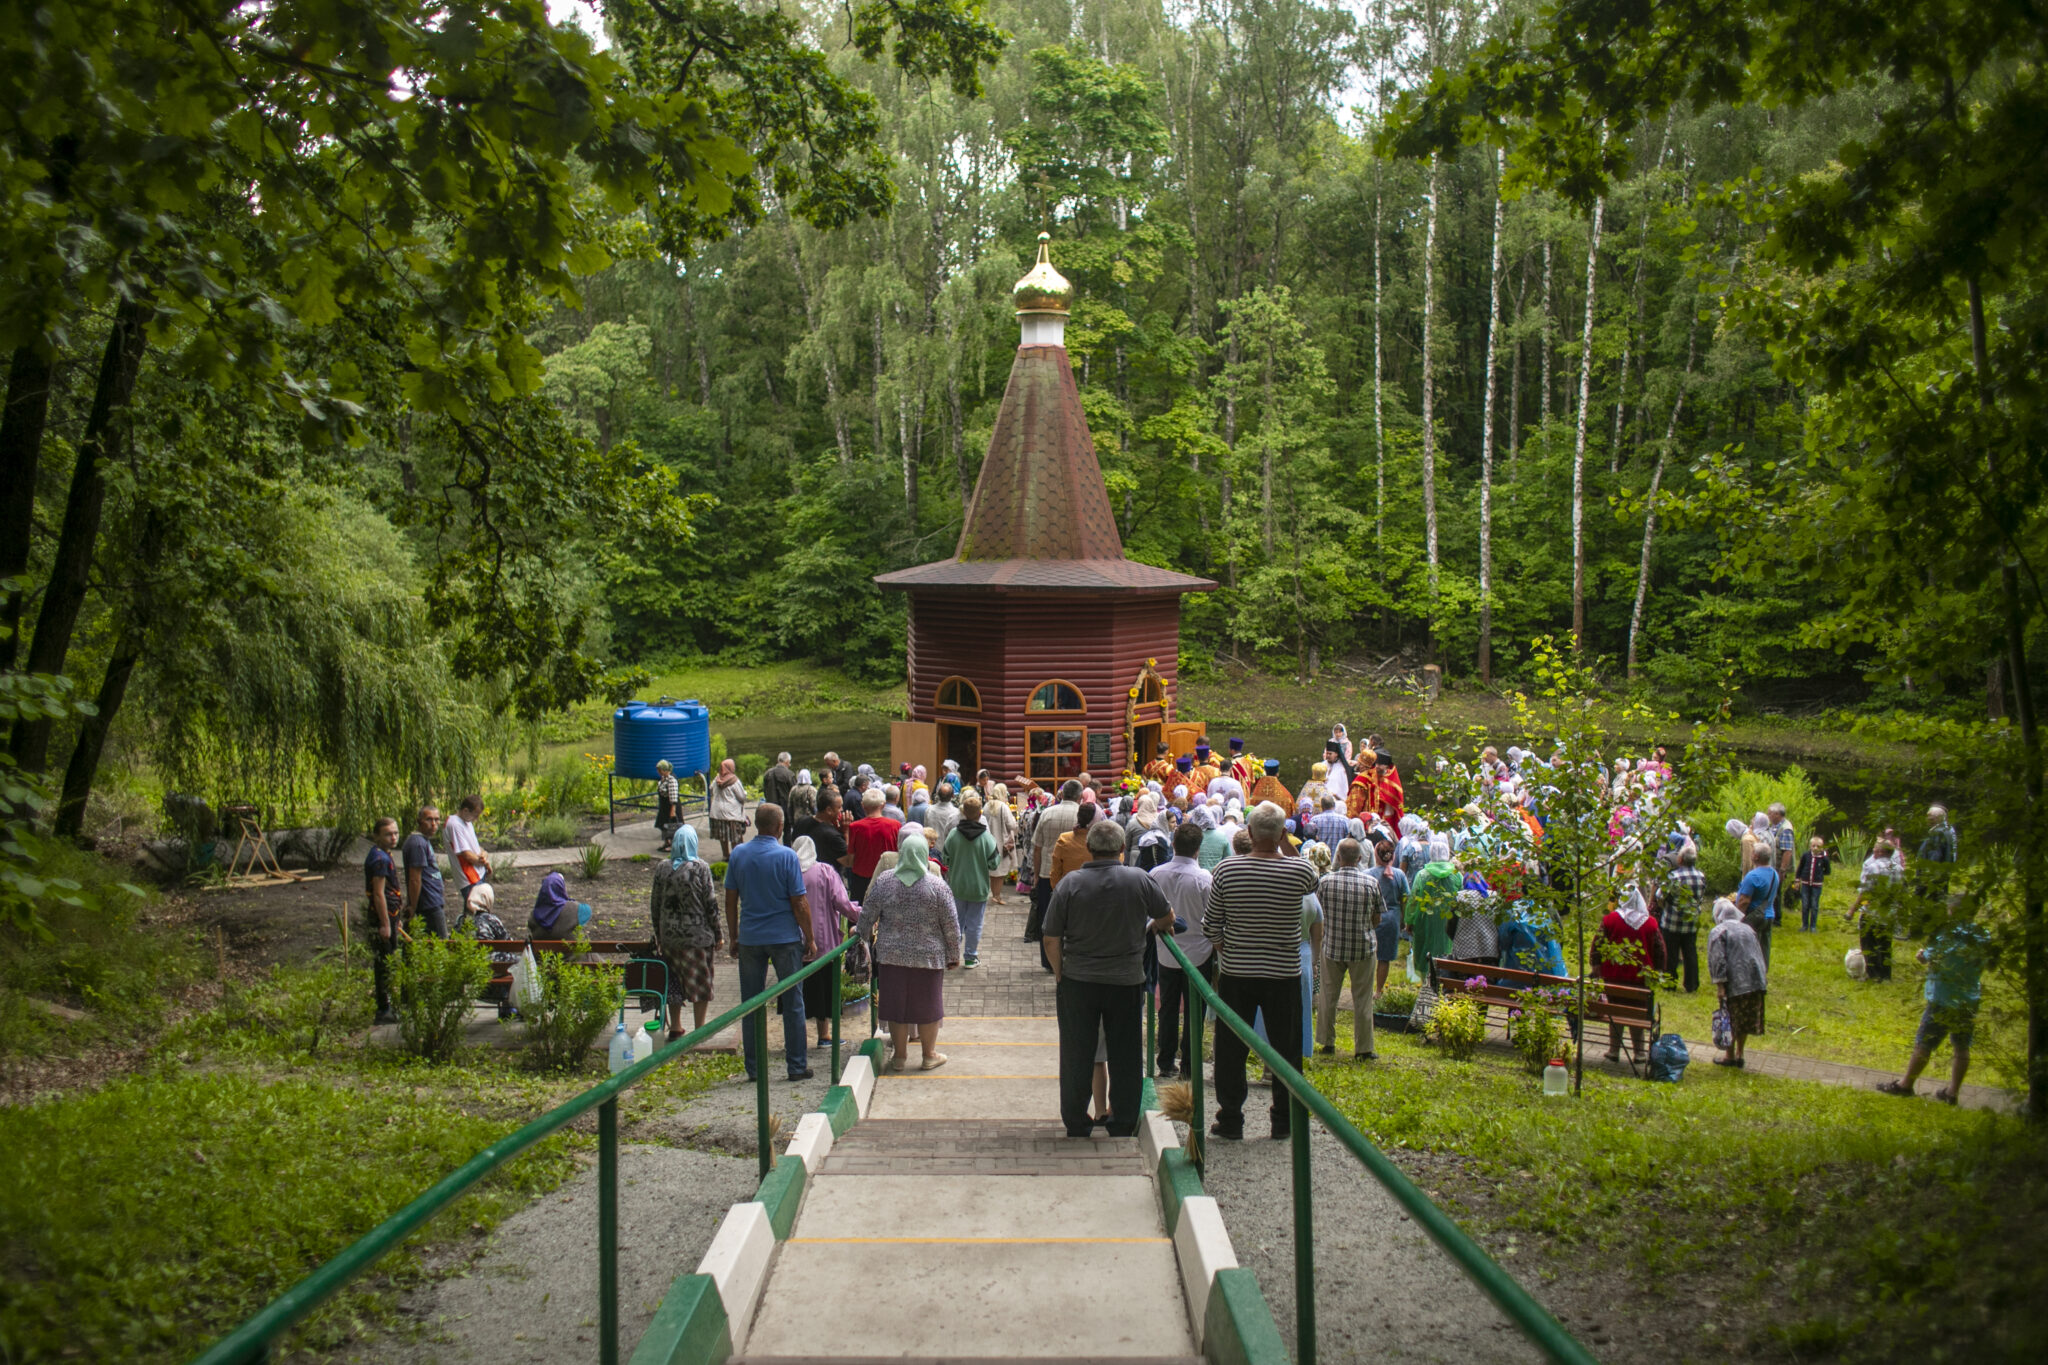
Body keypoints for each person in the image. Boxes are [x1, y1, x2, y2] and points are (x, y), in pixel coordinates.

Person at [1045, 819, 1176, 1137]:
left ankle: (1076, 1120)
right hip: (1125, 979)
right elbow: (1166, 917)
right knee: (1126, 1050)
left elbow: (1051, 937)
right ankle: (1123, 1120)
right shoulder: (1139, 879)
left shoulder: (1070, 884)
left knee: (1077, 1050)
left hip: (1078, 980)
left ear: (1089, 848)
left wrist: (1061, 972)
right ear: (1121, 848)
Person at [1203, 805, 1320, 1141]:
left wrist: (1229, 949)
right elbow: (1312, 879)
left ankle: (1230, 1119)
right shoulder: (1298, 871)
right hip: (1284, 974)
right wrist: (1284, 843)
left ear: (1249, 833)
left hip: (1237, 972)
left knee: (1230, 1048)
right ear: (1283, 834)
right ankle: (1283, 1121)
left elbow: (1211, 925)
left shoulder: (1226, 871)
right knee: (1286, 1048)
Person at [724, 804, 817, 1082]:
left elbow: (730, 899)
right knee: (793, 1002)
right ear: (779, 827)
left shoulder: (738, 854)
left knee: (750, 1003)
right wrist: (809, 937)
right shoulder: (787, 856)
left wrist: (733, 935)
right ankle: (796, 1066)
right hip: (784, 938)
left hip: (751, 938)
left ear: (755, 824)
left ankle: (754, 1068)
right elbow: (799, 902)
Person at [859, 832, 962, 1073]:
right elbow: (950, 925)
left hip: (891, 956)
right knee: (927, 1006)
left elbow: (867, 913)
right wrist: (954, 955)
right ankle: (928, 1055)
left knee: (896, 1007)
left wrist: (861, 934)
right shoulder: (937, 885)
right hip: (928, 956)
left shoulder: (885, 881)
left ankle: (900, 1058)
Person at [1877, 895, 1991, 1102]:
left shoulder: (1947, 935)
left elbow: (1927, 957)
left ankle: (1905, 1085)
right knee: (1962, 1046)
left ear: (1954, 912)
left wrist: (1922, 955)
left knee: (1924, 1043)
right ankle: (1952, 1092)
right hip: (1969, 998)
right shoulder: (1983, 935)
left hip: (1943, 999)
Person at [1151, 820, 1215, 1077]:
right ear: (1198, 848)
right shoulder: (1204, 879)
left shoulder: (1156, 874)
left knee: (1167, 1006)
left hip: (1166, 950)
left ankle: (1165, 1060)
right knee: (1194, 1010)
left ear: (1173, 843)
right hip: (1199, 953)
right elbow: (1212, 916)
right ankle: (1189, 1064)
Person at [1314, 839, 1383, 1061]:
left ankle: (1326, 1041)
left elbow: (1319, 915)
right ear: (1360, 858)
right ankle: (1363, 1048)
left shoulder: (1325, 883)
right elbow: (1377, 917)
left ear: (1338, 857)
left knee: (1328, 995)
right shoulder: (1371, 883)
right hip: (1362, 947)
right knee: (1362, 998)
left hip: (1332, 945)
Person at [651, 826, 721, 1039]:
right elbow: (710, 903)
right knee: (700, 982)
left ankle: (675, 1027)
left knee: (674, 981)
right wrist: (718, 934)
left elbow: (655, 903)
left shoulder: (662, 868)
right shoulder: (700, 868)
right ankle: (700, 1030)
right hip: (697, 938)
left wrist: (658, 934)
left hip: (670, 938)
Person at [794, 834, 860, 1047]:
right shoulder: (825, 871)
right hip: (824, 943)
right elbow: (842, 903)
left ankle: (795, 1037)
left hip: (794, 941)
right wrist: (863, 915)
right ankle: (824, 1035)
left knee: (798, 990)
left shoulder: (788, 871)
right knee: (823, 989)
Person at [1597, 883, 1665, 1063]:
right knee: (1637, 1012)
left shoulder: (1610, 919)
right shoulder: (1649, 923)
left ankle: (1614, 1050)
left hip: (1613, 976)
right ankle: (1639, 1052)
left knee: (1615, 1009)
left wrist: (1596, 968)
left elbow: (1597, 945)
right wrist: (1658, 970)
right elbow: (1660, 950)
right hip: (1640, 978)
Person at [1708, 897, 1768, 1067]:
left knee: (1731, 1018)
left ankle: (1729, 1056)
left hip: (1736, 981)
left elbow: (1717, 959)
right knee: (1745, 1018)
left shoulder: (1718, 931)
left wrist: (1720, 985)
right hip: (1756, 979)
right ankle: (1740, 1053)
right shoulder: (1748, 929)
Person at [941, 793, 1000, 968]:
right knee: (975, 924)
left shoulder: (953, 834)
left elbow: (945, 859)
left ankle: (953, 956)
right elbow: (994, 863)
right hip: (978, 887)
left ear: (964, 813)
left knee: (956, 922)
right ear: (980, 813)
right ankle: (970, 957)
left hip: (957, 886)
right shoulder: (987, 837)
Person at [1028, 780, 1084, 943]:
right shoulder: (1083, 813)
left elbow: (1037, 847)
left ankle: (1048, 959)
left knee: (1048, 916)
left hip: (1047, 871)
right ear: (1080, 796)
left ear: (1062, 794)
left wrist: (1036, 874)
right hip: (1075, 872)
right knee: (1073, 916)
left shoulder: (1047, 813)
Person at [365, 817, 405, 1024]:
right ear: (377, 836)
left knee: (388, 962)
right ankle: (384, 1008)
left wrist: (395, 918)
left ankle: (388, 1005)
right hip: (384, 918)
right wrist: (385, 923)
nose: (393, 837)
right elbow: (378, 894)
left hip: (391, 916)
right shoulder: (379, 859)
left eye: (396, 833)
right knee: (384, 963)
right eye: (388, 834)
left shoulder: (384, 855)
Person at [1658, 845, 1708, 993]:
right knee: (1690, 952)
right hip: (1691, 921)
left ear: (1680, 860)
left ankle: (1669, 984)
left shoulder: (1673, 877)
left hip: (1672, 921)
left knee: (1671, 953)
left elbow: (1660, 896)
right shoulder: (1701, 876)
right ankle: (1692, 984)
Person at [1368, 839, 1409, 998]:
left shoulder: (1368, 874)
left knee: (1369, 956)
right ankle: (1378, 991)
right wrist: (1404, 919)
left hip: (1371, 918)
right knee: (1384, 958)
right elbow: (1405, 897)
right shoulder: (1399, 875)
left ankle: (1366, 989)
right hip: (1392, 918)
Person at [1858, 839, 1904, 982]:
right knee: (1885, 943)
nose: (1874, 853)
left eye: (1876, 850)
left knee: (1869, 942)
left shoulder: (1873, 867)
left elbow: (1866, 892)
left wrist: (1856, 908)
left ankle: (1873, 974)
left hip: (1872, 912)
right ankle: (1886, 975)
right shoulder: (1899, 869)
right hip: (1889, 912)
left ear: (1881, 852)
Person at [845, 788, 901, 902]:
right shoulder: (895, 826)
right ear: (883, 805)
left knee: (859, 915)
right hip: (888, 878)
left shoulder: (855, 827)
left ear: (863, 806)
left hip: (861, 880)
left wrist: (845, 833)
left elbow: (850, 858)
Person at [401, 805, 448, 939]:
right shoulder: (417, 844)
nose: (433, 824)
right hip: (428, 903)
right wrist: (412, 906)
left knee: (418, 944)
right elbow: (415, 879)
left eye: (437, 820)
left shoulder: (423, 841)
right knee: (440, 943)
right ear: (419, 821)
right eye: (429, 819)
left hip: (432, 900)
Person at [444, 794, 492, 916]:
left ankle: (464, 933)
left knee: (471, 914)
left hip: (477, 873)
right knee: (476, 913)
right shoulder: (454, 825)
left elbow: (474, 846)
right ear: (465, 810)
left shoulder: (467, 822)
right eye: (475, 815)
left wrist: (484, 854)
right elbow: (466, 854)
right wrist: (483, 861)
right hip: (469, 877)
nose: (476, 819)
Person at [1734, 846, 1781, 965]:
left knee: (1749, 950)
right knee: (1764, 949)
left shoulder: (1753, 876)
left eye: (1752, 852)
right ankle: (1762, 974)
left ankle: (1750, 975)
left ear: (1756, 856)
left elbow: (1744, 901)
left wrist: (1737, 918)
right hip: (1769, 915)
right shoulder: (1774, 874)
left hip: (1754, 917)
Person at [792, 788, 850, 875]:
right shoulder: (832, 835)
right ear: (829, 810)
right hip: (825, 880)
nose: (842, 810)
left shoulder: (801, 821)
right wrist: (846, 832)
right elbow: (848, 861)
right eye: (839, 807)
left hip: (799, 873)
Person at [529, 870, 591, 938]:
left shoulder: (535, 913)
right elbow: (587, 912)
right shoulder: (576, 908)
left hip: (542, 948)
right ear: (561, 888)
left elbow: (531, 925)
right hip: (569, 947)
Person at [985, 783, 1020, 904]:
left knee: (993, 870)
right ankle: (997, 895)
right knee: (1000, 871)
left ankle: (994, 894)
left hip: (989, 842)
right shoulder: (1003, 807)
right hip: (1002, 842)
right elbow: (1011, 824)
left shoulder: (986, 806)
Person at [1051, 801, 1098, 889]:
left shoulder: (1064, 839)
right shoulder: (1102, 840)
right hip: (1096, 891)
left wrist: (1058, 891)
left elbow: (1055, 872)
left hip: (1069, 890)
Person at [707, 758, 748, 860]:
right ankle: (736, 857)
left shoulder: (717, 779)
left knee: (723, 836)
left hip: (717, 813)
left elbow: (711, 789)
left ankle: (726, 855)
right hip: (731, 813)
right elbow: (741, 797)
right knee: (735, 836)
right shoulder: (734, 781)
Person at [1766, 803, 1798, 921]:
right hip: (1773, 865)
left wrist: (1782, 870)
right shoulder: (1774, 826)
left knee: (1776, 892)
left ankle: (1776, 919)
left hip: (1779, 867)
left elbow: (1787, 851)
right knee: (1772, 891)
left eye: (1770, 813)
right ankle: (1772, 915)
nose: (1768, 815)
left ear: (1777, 814)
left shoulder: (1786, 829)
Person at [1795, 836, 1832, 932]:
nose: (1815, 848)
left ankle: (1813, 926)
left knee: (1814, 905)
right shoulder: (1806, 855)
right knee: (1805, 904)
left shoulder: (1824, 858)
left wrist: (1819, 874)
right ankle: (1804, 925)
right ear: (1810, 846)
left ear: (1822, 847)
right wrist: (1797, 880)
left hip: (1817, 884)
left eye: (1818, 846)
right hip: (1805, 883)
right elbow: (1800, 868)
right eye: (1813, 846)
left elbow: (1828, 871)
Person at [785, 768, 819, 839]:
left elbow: (789, 806)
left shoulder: (793, 789)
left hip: (796, 819)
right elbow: (814, 806)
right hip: (809, 819)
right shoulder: (811, 789)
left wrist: (790, 820)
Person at [762, 752, 796, 821]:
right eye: (789, 763)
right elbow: (794, 792)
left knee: (772, 829)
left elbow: (765, 791)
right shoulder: (789, 774)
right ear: (787, 761)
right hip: (785, 809)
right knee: (787, 830)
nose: (789, 765)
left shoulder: (767, 773)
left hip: (770, 807)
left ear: (778, 760)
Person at [655, 759, 683, 841]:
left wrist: (673, 810)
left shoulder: (671, 780)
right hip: (664, 806)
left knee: (672, 825)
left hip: (670, 806)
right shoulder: (663, 778)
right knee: (664, 824)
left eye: (659, 770)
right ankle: (666, 842)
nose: (658, 771)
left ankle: (672, 843)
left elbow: (674, 795)